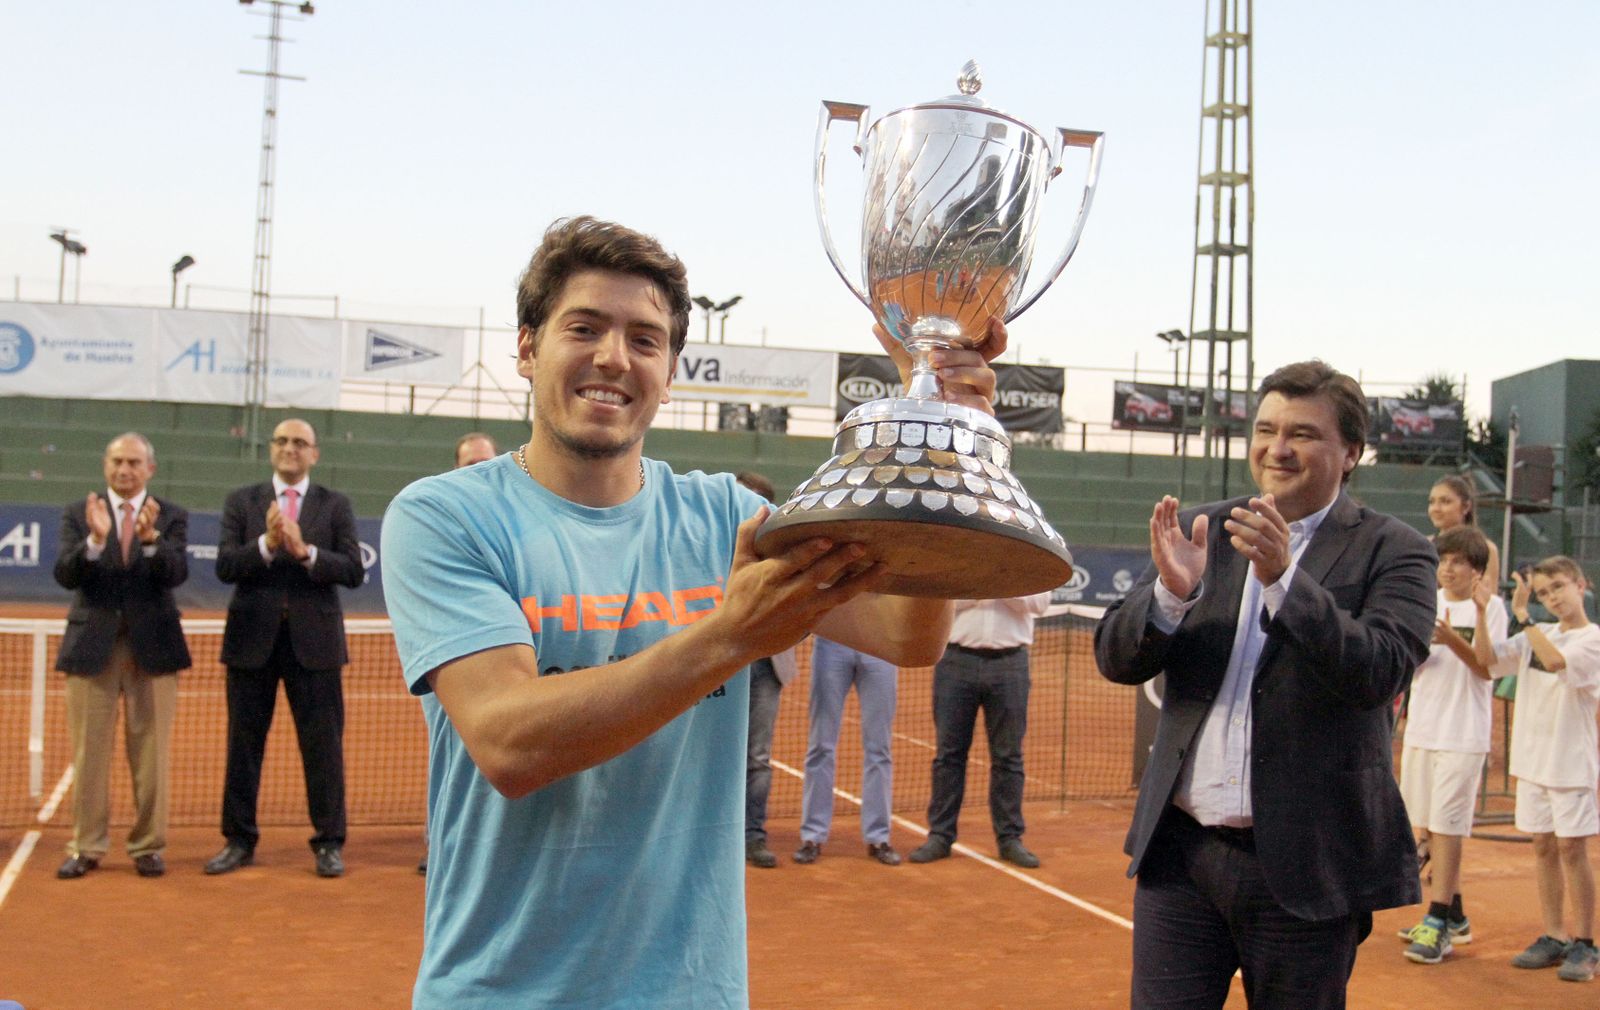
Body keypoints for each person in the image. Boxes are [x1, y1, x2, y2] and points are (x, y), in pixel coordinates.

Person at [380, 216, 999, 1008]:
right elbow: (509, 742)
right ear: (529, 349)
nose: (614, 356)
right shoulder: (445, 517)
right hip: (500, 993)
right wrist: (731, 635)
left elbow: (909, 636)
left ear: (670, 370)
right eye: (585, 328)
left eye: (645, 339)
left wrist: (942, 436)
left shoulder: (725, 515)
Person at [1094, 360, 1438, 1010]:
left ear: (1351, 453)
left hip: (1306, 870)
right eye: (1266, 428)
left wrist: (1284, 580)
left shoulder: (1397, 550)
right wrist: (1170, 596)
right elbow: (1115, 657)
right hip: (1181, 857)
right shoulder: (1201, 531)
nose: (1277, 449)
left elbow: (1381, 669)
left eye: (1302, 433)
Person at [206, 418, 365, 878]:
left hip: (314, 646)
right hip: (250, 643)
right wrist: (266, 543)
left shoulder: (335, 505)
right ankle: (237, 840)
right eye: (282, 441)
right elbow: (225, 566)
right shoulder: (243, 501)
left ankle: (329, 842)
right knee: (242, 746)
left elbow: (353, 570)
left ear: (314, 453)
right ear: (271, 449)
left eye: (300, 443)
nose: (290, 448)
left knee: (323, 748)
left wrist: (305, 552)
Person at [52, 432, 191, 880]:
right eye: (116, 462)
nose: (124, 470)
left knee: (151, 754)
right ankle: (86, 846)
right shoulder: (79, 513)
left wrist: (151, 540)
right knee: (89, 751)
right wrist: (93, 542)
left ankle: (148, 846)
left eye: (133, 462)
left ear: (149, 468)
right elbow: (65, 575)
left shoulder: (171, 516)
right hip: (92, 647)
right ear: (105, 465)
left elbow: (176, 573)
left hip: (154, 647)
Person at [1472, 556, 1600, 983]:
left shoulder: (1592, 638)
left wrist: (1523, 613)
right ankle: (1554, 935)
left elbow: (1557, 662)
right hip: (1533, 762)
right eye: (1544, 592)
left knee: (1572, 850)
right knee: (1543, 846)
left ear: (1582, 585)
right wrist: (1483, 609)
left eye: (1559, 587)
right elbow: (1488, 663)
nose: (1552, 598)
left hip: (1571, 765)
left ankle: (1585, 943)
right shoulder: (1535, 634)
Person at [1395, 525, 1507, 963]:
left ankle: (1438, 919)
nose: (1448, 569)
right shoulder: (1429, 602)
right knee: (1428, 825)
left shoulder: (1491, 607)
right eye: (1443, 561)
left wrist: (1458, 632)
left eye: (1459, 562)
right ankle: (1456, 916)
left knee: (1448, 825)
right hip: (1424, 728)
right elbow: (1412, 662)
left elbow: (1486, 668)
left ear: (1476, 570)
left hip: (1464, 734)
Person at [909, 591, 1053, 868]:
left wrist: (1003, 587)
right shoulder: (967, 558)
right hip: (954, 661)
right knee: (948, 755)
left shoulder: (1030, 558)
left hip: (1011, 665)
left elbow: (1040, 604)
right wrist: (979, 590)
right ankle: (940, 836)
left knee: (1008, 757)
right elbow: (940, 601)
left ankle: (1010, 839)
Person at [735, 470, 801, 870]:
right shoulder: (712, 545)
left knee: (757, 756)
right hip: (720, 662)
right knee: (711, 755)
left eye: (757, 501)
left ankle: (753, 836)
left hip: (767, 666)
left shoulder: (784, 551)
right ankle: (713, 834)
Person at [794, 636, 902, 866]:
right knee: (820, 746)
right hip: (831, 644)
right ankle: (812, 836)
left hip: (881, 646)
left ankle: (878, 838)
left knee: (879, 749)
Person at [1427, 474, 1500, 586]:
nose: (1436, 508)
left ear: (1466, 507)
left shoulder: (1487, 549)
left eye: (1445, 501)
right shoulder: (1424, 544)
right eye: (1432, 502)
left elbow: (1489, 597)